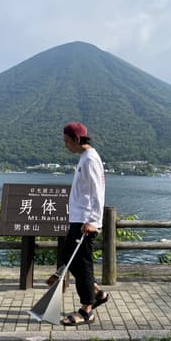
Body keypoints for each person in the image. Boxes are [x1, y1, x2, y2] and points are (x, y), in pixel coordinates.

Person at [58, 121, 109, 326]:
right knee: (69, 258)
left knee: (83, 265)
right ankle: (97, 293)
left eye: (67, 141)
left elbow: (98, 191)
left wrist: (93, 221)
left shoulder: (90, 159)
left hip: (85, 222)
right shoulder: (84, 158)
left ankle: (87, 310)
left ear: (77, 139)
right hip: (78, 219)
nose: (65, 145)